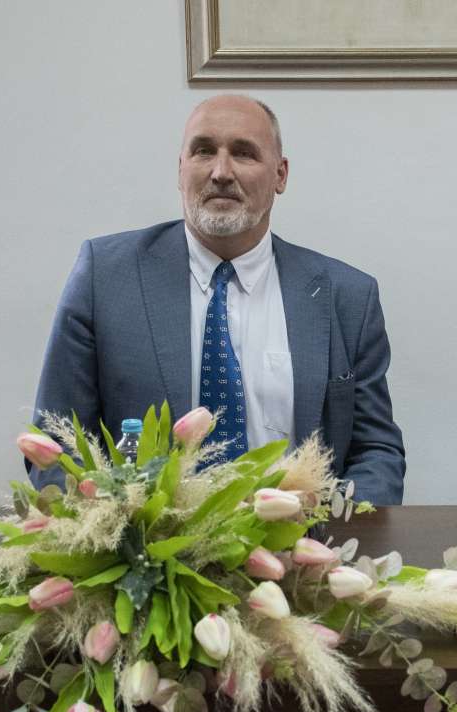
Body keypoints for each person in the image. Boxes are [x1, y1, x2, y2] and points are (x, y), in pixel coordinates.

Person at [31, 95, 405, 505]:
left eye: (244, 153)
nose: (221, 172)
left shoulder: (346, 297)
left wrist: (333, 525)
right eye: (204, 151)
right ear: (180, 169)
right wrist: (109, 524)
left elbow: (376, 453)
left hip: (303, 538)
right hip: (146, 540)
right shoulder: (105, 278)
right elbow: (56, 445)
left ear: (280, 175)